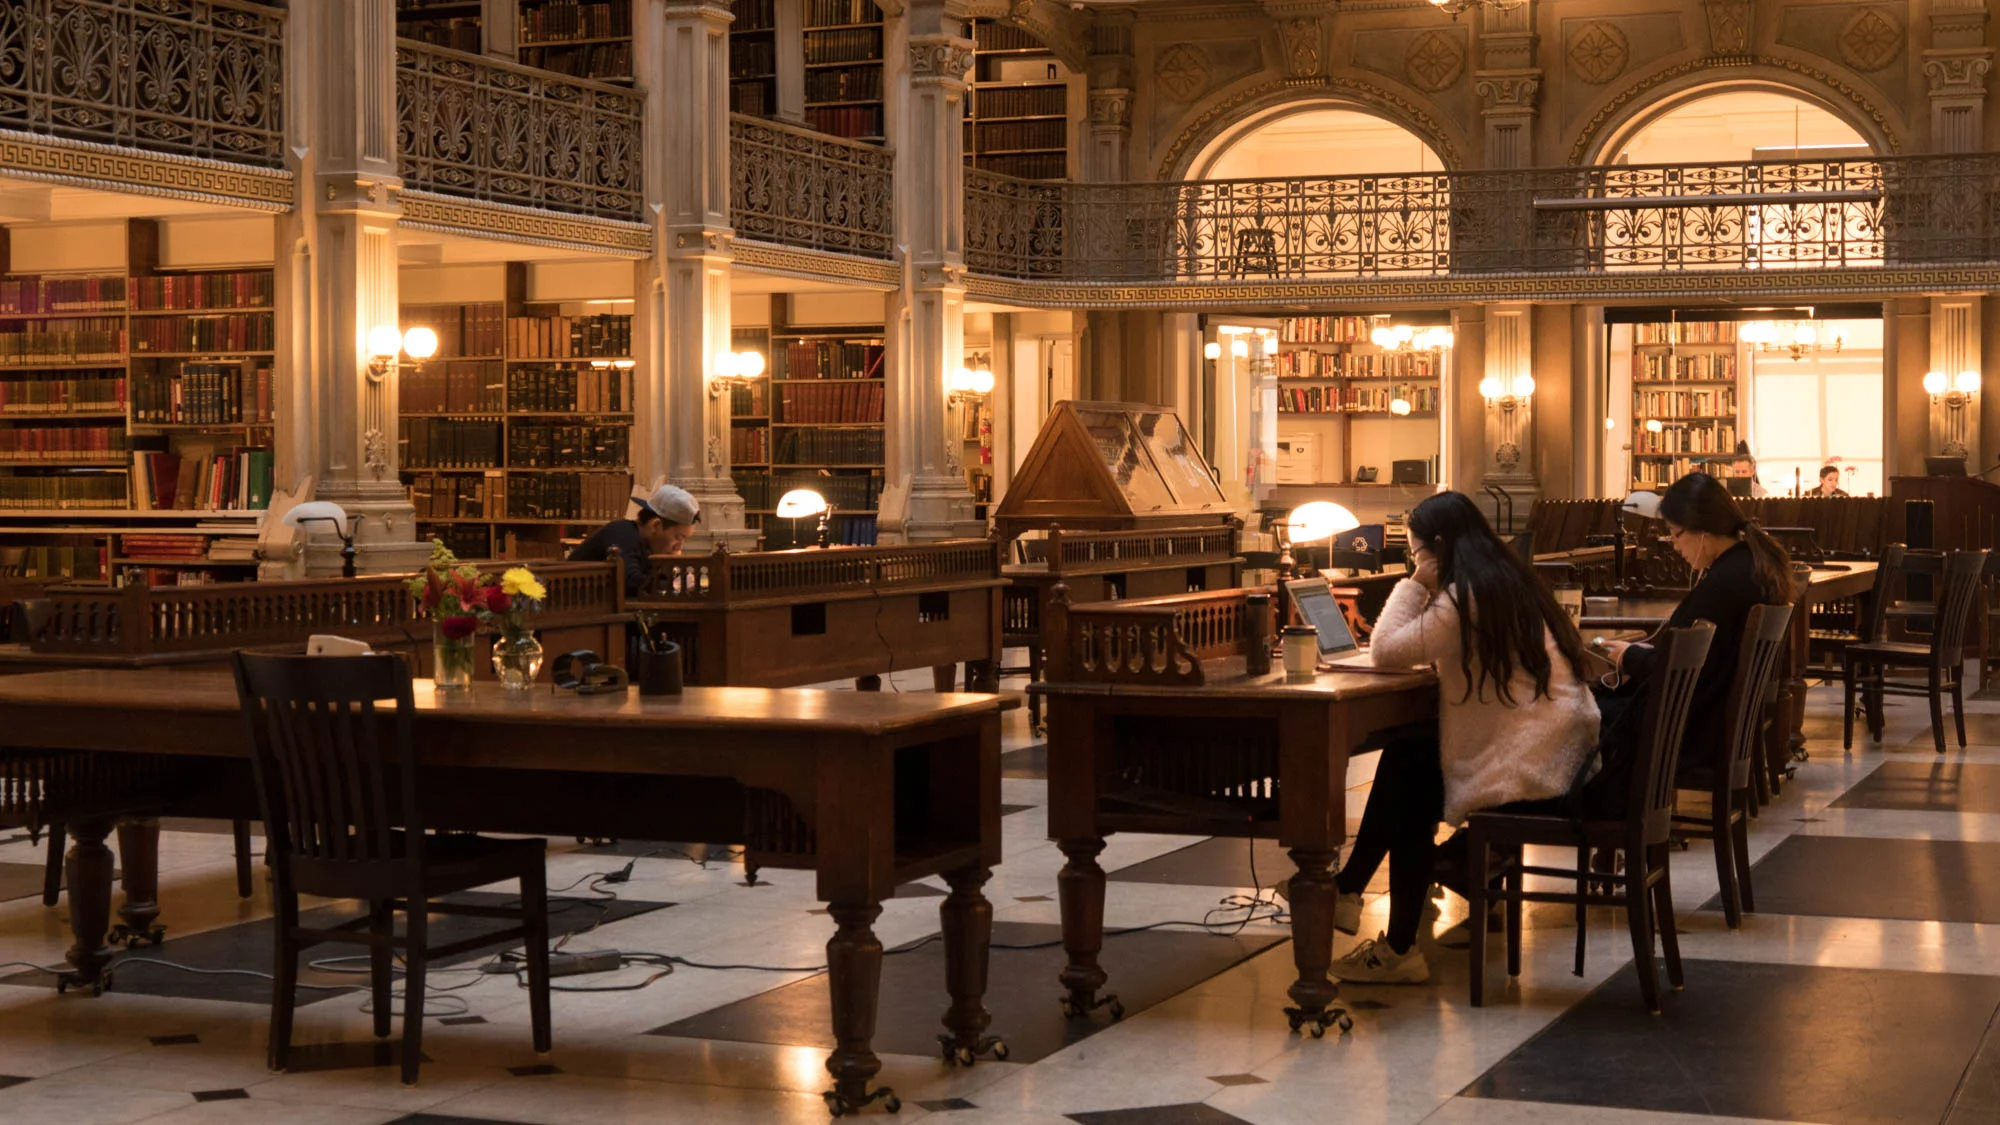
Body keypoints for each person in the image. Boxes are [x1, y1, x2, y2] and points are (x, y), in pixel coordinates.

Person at [1325, 492, 1601, 985]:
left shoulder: (1466, 598)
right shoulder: (1506, 581)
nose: (1414, 562)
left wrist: (1415, 583)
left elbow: (1385, 650)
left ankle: (1370, 915)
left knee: (1408, 779)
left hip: (1534, 766)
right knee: (1410, 763)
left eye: (1415, 553)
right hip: (1557, 751)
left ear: (1436, 548)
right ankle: (1372, 918)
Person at [1593, 472, 1795, 806]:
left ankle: (1589, 812)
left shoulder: (1724, 583)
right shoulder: (1750, 565)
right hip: (1712, 722)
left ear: (1702, 530)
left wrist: (1631, 657)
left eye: (1676, 534)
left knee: (1584, 713)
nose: (1674, 546)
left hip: (1689, 731)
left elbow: (1685, 672)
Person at [568, 483, 699, 598]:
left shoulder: (647, 546)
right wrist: (675, 583)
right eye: (678, 538)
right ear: (656, 526)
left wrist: (669, 569)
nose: (679, 547)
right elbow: (632, 583)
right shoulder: (622, 533)